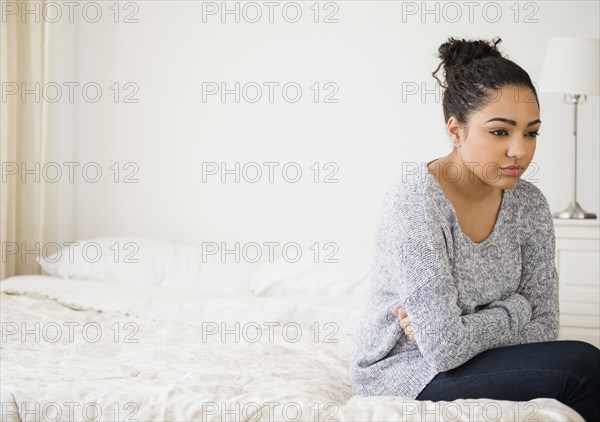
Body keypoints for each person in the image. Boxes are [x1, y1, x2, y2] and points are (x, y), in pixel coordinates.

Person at [348, 36, 600, 422]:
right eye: (500, 132)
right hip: (408, 370)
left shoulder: (529, 204)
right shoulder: (416, 204)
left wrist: (464, 328)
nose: (520, 150)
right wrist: (517, 309)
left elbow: (546, 327)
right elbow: (444, 350)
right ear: (456, 130)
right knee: (582, 364)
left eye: (531, 132)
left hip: (469, 355)